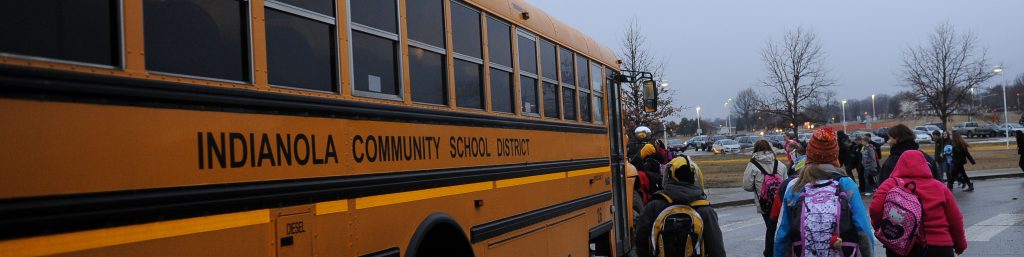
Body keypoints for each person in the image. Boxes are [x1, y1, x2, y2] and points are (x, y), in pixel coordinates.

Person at [774, 127, 874, 257]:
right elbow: (863, 230)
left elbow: (782, 234)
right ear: (834, 155)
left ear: (809, 154)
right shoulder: (846, 183)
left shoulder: (795, 186)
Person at [869, 150, 967, 257]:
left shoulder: (890, 184)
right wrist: (960, 245)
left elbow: (875, 210)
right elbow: (955, 219)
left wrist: (886, 229)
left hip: (901, 246)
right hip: (939, 246)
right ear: (925, 165)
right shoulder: (940, 187)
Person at [636, 156, 726, 257]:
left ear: (669, 176)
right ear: (694, 177)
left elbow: (640, 241)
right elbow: (717, 250)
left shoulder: (654, 206)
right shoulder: (705, 210)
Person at [743, 140, 789, 257]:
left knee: (771, 228)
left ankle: (770, 252)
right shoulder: (780, 165)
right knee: (778, 227)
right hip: (779, 203)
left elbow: (747, 186)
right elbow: (786, 184)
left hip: (765, 204)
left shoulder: (752, 165)